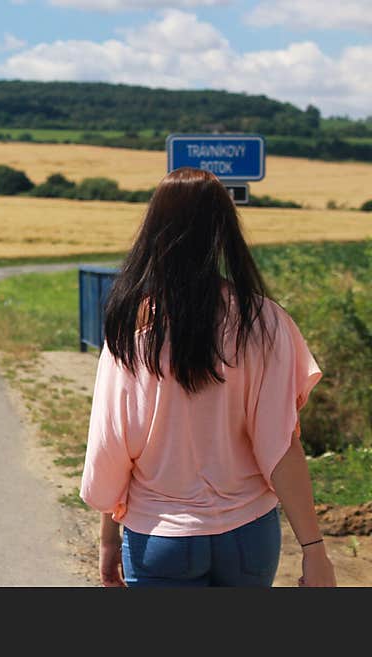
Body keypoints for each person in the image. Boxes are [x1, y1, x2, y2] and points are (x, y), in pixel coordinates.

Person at [79, 167, 337, 587]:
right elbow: (281, 443)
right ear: (223, 231)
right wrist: (314, 550)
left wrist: (109, 538)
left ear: (155, 230)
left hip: (160, 537)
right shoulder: (265, 323)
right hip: (249, 536)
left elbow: (112, 448)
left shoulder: (130, 328)